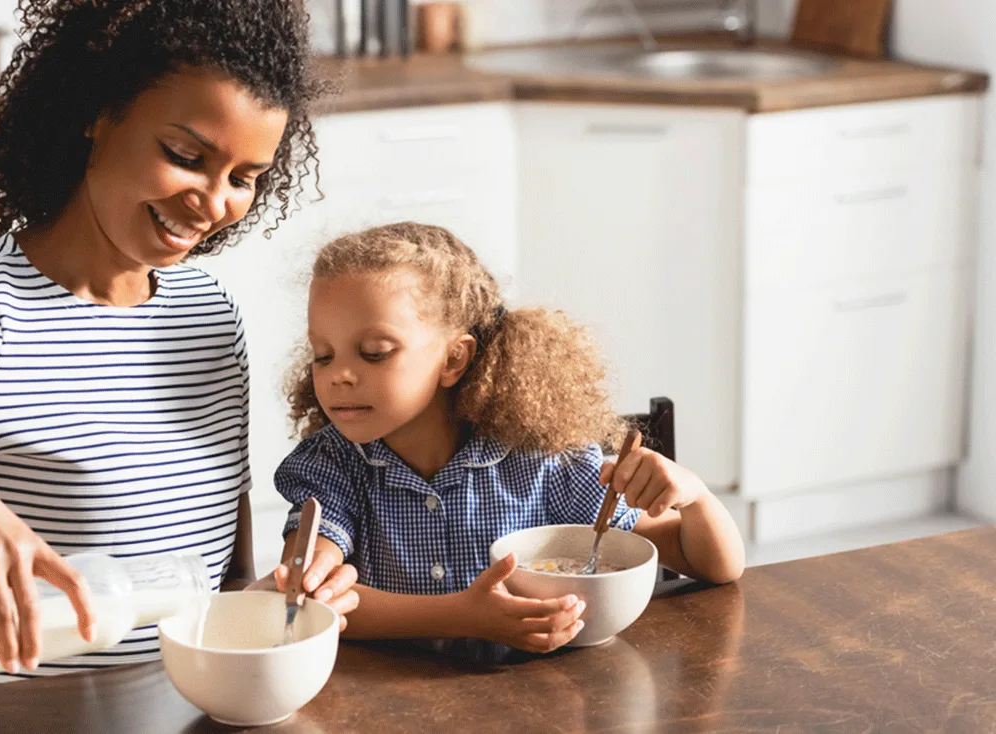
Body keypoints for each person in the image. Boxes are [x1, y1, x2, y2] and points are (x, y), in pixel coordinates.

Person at [0, 0, 357, 691]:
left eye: (244, 178)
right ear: (99, 113)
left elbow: (216, 584)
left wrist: (279, 601)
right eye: (186, 156)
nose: (214, 204)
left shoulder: (207, 318)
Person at [275, 222, 745, 654]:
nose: (339, 376)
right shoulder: (329, 466)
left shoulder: (545, 460)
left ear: (454, 359)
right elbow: (312, 597)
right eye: (323, 355)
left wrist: (697, 498)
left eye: (373, 353)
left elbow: (715, 565)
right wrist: (463, 616)